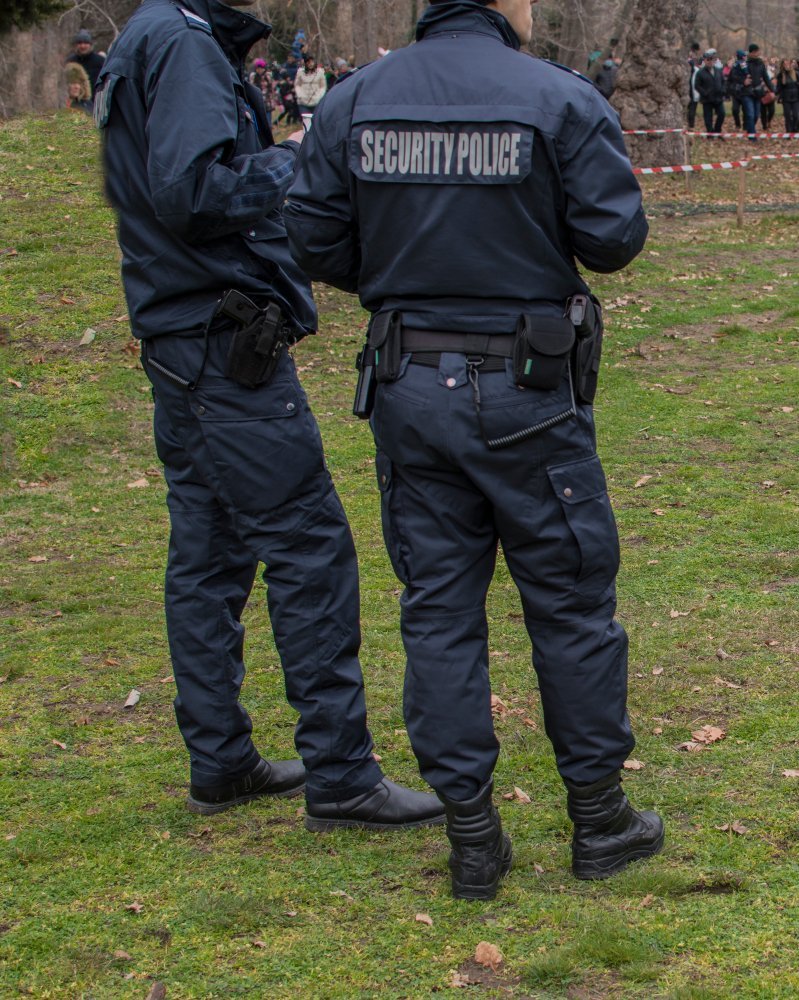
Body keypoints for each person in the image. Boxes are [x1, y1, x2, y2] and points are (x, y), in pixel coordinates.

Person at [285, 0, 664, 901]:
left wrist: (406, 270)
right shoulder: (556, 97)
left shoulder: (354, 98)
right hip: (526, 387)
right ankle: (597, 817)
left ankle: (471, 834)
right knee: (568, 603)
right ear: (506, 6)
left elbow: (313, 235)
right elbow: (614, 237)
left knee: (438, 608)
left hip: (410, 383)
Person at [93, 0, 444, 832]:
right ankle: (342, 774)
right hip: (220, 343)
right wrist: (296, 158)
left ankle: (220, 758)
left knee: (209, 553)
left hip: (186, 337)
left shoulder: (153, 35)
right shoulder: (180, 43)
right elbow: (192, 191)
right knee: (308, 548)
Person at [66, 28, 105, 99]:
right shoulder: (71, 61)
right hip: (76, 102)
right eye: (80, 43)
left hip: (95, 100)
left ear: (90, 44)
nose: (82, 46)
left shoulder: (100, 61)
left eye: (85, 43)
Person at [695, 50, 726, 134]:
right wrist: (705, 93)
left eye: (711, 59)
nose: (710, 61)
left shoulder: (718, 70)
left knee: (722, 114)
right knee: (708, 117)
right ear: (704, 60)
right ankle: (710, 132)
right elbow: (697, 86)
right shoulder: (700, 73)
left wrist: (723, 90)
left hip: (718, 98)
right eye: (708, 59)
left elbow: (723, 82)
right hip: (707, 99)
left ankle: (717, 130)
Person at [776, 57, 799, 133]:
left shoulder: (796, 73)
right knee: (787, 116)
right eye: (785, 64)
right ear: (782, 65)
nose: (787, 65)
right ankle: (788, 131)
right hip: (786, 98)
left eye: (788, 63)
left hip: (796, 97)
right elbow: (779, 87)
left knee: (796, 116)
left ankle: (794, 129)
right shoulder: (780, 75)